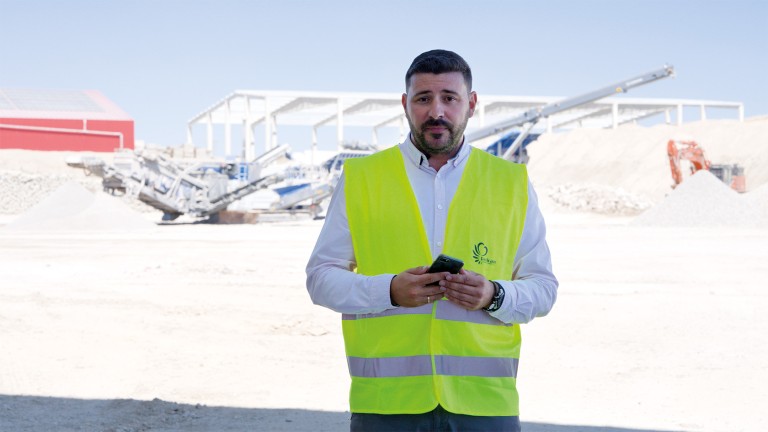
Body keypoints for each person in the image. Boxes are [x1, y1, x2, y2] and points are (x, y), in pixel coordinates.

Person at [306, 49, 558, 432]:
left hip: (486, 405)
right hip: (386, 406)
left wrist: (494, 295)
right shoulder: (362, 178)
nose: (435, 110)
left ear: (470, 104)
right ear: (405, 105)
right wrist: (388, 290)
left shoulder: (512, 183)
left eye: (449, 98)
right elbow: (320, 278)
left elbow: (543, 287)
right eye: (423, 98)